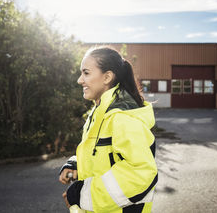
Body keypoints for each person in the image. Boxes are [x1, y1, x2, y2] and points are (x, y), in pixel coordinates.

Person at [59, 46, 158, 213]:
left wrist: (81, 194)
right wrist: (76, 165)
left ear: (107, 77)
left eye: (86, 73)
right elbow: (101, 155)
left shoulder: (122, 118)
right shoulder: (100, 113)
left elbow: (140, 173)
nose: (79, 80)